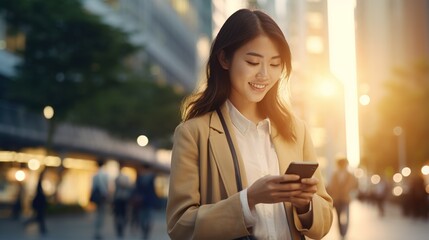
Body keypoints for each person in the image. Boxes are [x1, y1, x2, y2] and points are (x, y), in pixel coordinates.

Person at [166, 9, 333, 240]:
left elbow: (324, 221)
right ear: (224, 59)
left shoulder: (296, 130)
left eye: (275, 64)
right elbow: (180, 227)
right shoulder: (194, 134)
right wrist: (249, 199)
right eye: (253, 62)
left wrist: (305, 205)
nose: (264, 74)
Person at [327, 157, 358, 239]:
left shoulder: (350, 175)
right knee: (338, 217)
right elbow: (331, 187)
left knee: (346, 217)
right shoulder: (334, 175)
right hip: (337, 200)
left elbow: (354, 185)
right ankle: (341, 233)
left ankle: (344, 233)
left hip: (346, 199)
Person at [134, 164, 158, 240]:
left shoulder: (140, 177)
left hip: (142, 201)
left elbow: (137, 189)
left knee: (143, 218)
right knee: (148, 218)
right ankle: (146, 232)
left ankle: (144, 232)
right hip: (148, 201)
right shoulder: (151, 178)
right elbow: (153, 190)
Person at [24, 168, 48, 235]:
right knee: (39, 219)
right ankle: (43, 230)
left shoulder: (39, 191)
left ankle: (43, 230)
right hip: (40, 207)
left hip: (40, 207)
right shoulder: (39, 191)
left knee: (38, 219)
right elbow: (39, 185)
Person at [91, 159, 110, 240]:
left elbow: (93, 187)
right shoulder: (105, 174)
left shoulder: (94, 175)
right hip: (102, 197)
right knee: (101, 215)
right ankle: (100, 232)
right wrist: (106, 194)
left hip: (97, 196)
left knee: (98, 214)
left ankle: (97, 231)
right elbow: (106, 187)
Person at [112, 162, 132, 238]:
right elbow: (129, 187)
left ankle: (119, 227)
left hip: (118, 198)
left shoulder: (117, 178)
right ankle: (122, 226)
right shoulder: (126, 178)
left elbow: (115, 190)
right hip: (124, 198)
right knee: (123, 214)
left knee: (118, 214)